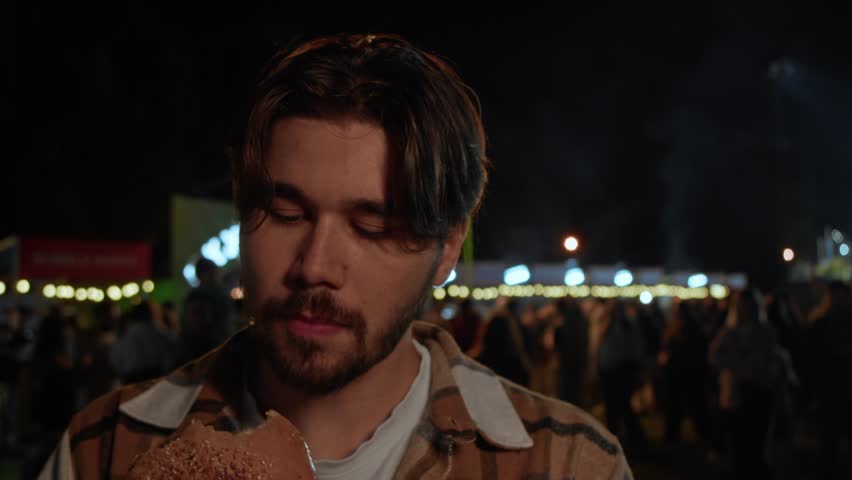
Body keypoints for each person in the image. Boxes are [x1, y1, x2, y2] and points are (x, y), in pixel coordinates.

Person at [40, 33, 632, 479]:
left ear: (447, 246)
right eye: (286, 213)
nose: (315, 266)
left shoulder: (564, 462)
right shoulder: (106, 448)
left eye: (373, 225)